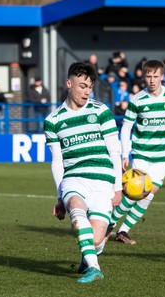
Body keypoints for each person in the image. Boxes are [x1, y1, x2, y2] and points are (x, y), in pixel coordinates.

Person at [45, 62, 123, 283]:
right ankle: (94, 269)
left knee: (97, 240)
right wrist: (60, 196)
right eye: (82, 86)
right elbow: (57, 161)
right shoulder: (53, 120)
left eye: (90, 86)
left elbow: (114, 150)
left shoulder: (101, 111)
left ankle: (88, 257)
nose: (87, 91)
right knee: (77, 211)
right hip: (74, 178)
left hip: (103, 179)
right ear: (69, 84)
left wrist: (117, 188)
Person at [106, 60, 165, 245]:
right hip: (142, 153)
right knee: (134, 193)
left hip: (162, 156)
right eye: (148, 76)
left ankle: (123, 230)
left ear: (162, 76)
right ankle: (109, 225)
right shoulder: (137, 99)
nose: (152, 80)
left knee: (149, 193)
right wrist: (125, 154)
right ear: (143, 77)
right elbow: (126, 127)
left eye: (155, 76)